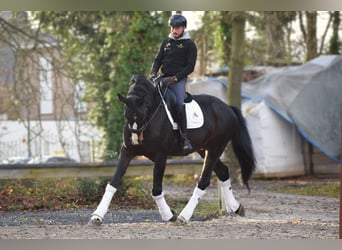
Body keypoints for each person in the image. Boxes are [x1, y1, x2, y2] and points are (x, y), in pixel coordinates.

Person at [148, 13, 197, 154]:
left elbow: (190, 67)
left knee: (178, 105)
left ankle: (184, 138)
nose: (174, 30)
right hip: (163, 78)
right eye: (172, 27)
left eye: (177, 28)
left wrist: (176, 78)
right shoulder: (166, 42)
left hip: (178, 80)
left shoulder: (189, 45)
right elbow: (157, 60)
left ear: (184, 28)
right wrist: (153, 72)